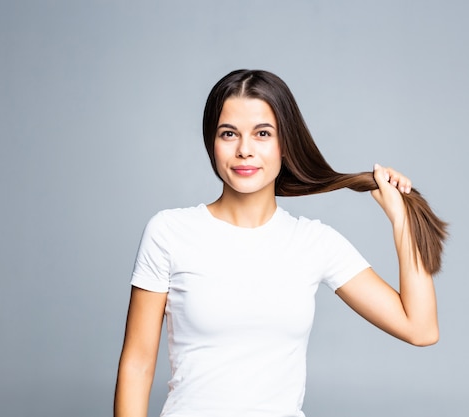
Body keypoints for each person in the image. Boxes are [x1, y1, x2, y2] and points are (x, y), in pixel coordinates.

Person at [114, 69, 447, 417]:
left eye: (262, 134)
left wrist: (402, 221)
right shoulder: (169, 232)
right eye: (229, 133)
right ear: (211, 142)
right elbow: (137, 366)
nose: (245, 150)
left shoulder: (314, 242)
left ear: (284, 144)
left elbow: (420, 329)